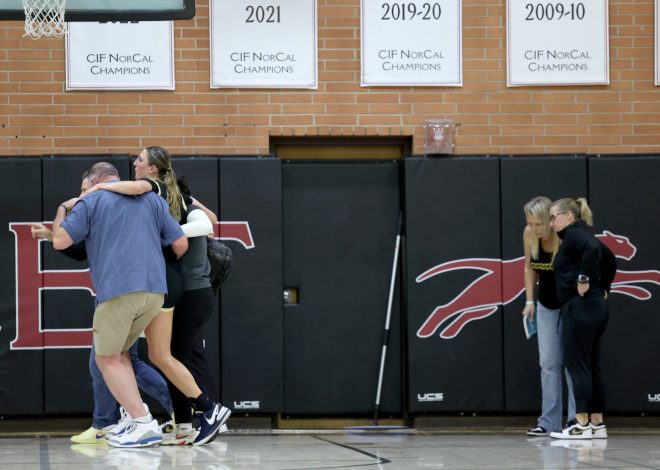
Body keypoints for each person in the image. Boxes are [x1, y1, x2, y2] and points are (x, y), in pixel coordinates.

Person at [86, 147, 230, 445]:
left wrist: (99, 187)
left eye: (139, 159)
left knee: (163, 355)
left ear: (152, 169)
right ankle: (187, 421)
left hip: (179, 286)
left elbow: (207, 222)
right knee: (165, 355)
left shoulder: (154, 189)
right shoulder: (171, 192)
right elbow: (210, 218)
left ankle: (202, 411)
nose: (134, 163)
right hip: (174, 285)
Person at [30, 172, 174, 445]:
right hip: (155, 290)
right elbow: (177, 240)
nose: (81, 194)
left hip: (118, 290)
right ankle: (128, 420)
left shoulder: (92, 200)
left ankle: (143, 421)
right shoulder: (151, 200)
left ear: (97, 183)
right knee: (118, 357)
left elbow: (63, 240)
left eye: (84, 188)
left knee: (108, 360)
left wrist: (63, 208)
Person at [548, 198, 616, 440]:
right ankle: (597, 424)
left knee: (578, 366)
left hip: (580, 307)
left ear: (568, 215)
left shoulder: (575, 234)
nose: (551, 222)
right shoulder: (580, 235)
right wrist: (605, 286)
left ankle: (581, 424)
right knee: (591, 365)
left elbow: (596, 251)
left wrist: (584, 279)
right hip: (596, 307)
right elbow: (609, 257)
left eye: (553, 217)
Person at [522, 196, 575, 437]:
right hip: (545, 304)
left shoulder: (565, 237)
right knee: (548, 363)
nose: (534, 228)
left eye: (538, 224)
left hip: (569, 303)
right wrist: (530, 300)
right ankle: (548, 422)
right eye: (530, 223)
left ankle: (575, 420)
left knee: (571, 363)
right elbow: (528, 267)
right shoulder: (529, 234)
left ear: (550, 221)